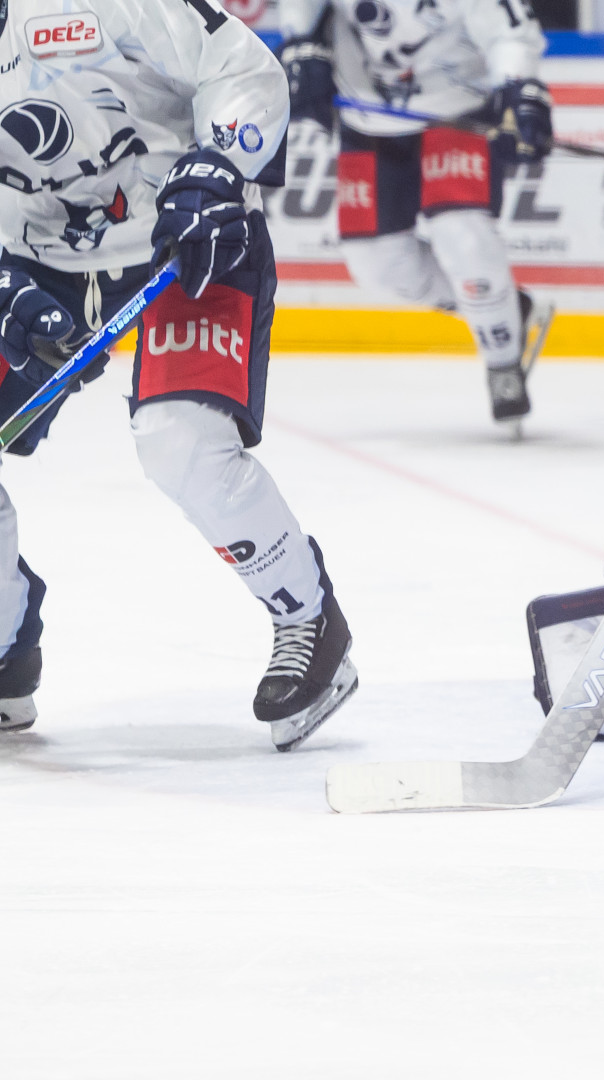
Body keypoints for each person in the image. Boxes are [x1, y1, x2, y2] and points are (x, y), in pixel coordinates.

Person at [0, 0, 359, 750]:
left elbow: (242, 66)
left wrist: (217, 166)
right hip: (29, 264)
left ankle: (306, 615)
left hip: (185, 232)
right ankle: (4, 644)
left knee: (179, 440)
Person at [278, 0, 555, 428]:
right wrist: (302, 40)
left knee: (462, 234)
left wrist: (521, 87)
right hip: (366, 110)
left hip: (459, 106)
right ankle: (506, 309)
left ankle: (502, 359)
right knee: (377, 264)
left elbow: (507, 26)